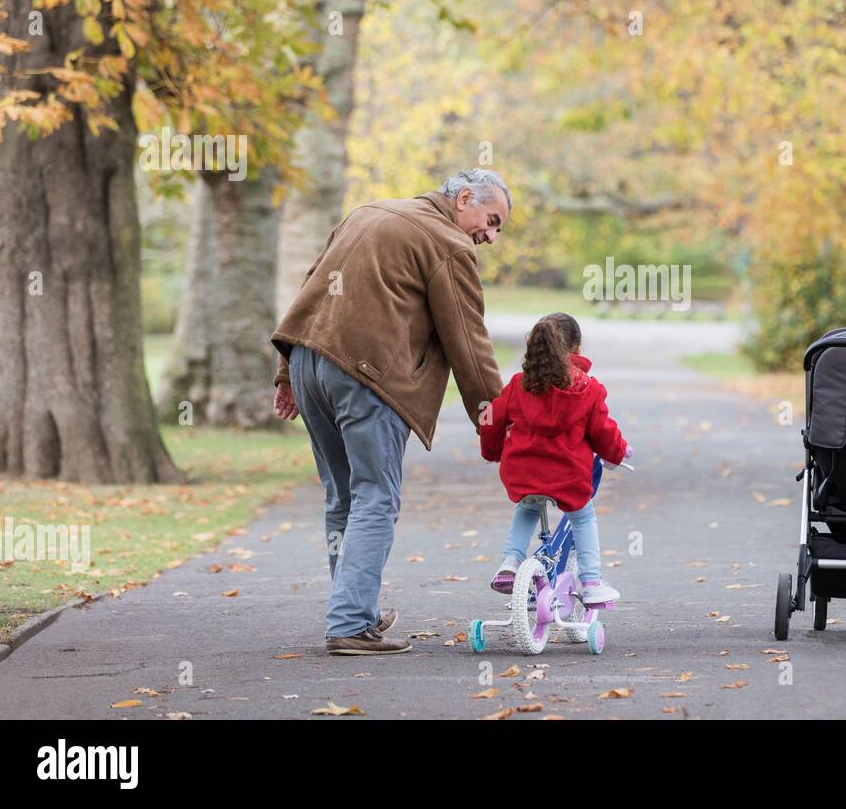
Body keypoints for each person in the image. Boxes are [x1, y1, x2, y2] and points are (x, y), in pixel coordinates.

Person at [270, 169, 510, 656]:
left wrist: (286, 372)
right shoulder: (448, 245)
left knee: (343, 498)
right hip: (367, 378)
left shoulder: (367, 212)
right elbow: (468, 340)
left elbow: (311, 289)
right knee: (376, 498)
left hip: (309, 363)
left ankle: (355, 610)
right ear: (463, 198)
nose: (491, 235)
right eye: (491, 220)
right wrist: (497, 419)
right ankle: (350, 624)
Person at [479, 312, 631, 604]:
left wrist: (492, 451)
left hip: (523, 472)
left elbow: (490, 420)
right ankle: (591, 582)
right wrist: (619, 453)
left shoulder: (518, 385)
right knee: (583, 517)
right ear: (576, 350)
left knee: (527, 506)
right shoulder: (588, 389)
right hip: (567, 476)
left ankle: (510, 563)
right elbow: (604, 434)